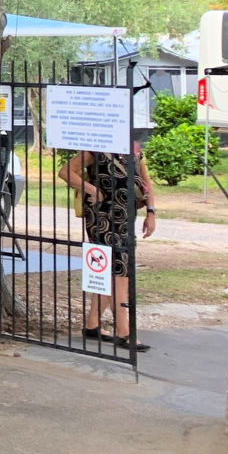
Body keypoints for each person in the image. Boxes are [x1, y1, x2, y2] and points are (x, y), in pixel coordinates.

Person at [62, 142, 157, 350]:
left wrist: (151, 211)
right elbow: (66, 172)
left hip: (126, 216)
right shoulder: (96, 147)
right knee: (119, 269)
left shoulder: (134, 148)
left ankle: (92, 325)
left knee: (111, 269)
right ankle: (124, 332)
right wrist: (90, 189)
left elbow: (146, 183)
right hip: (102, 216)